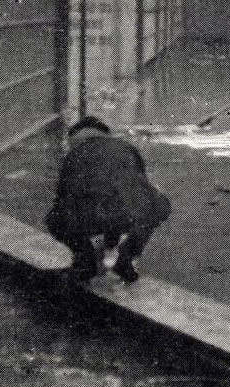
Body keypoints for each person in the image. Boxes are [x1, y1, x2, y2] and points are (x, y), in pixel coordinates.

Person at [45, 116, 171, 283]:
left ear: (75, 139)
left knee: (55, 218)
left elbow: (63, 197)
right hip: (125, 214)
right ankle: (126, 257)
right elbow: (139, 188)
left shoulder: (73, 155)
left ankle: (85, 261)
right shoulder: (126, 148)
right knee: (155, 205)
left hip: (87, 215)